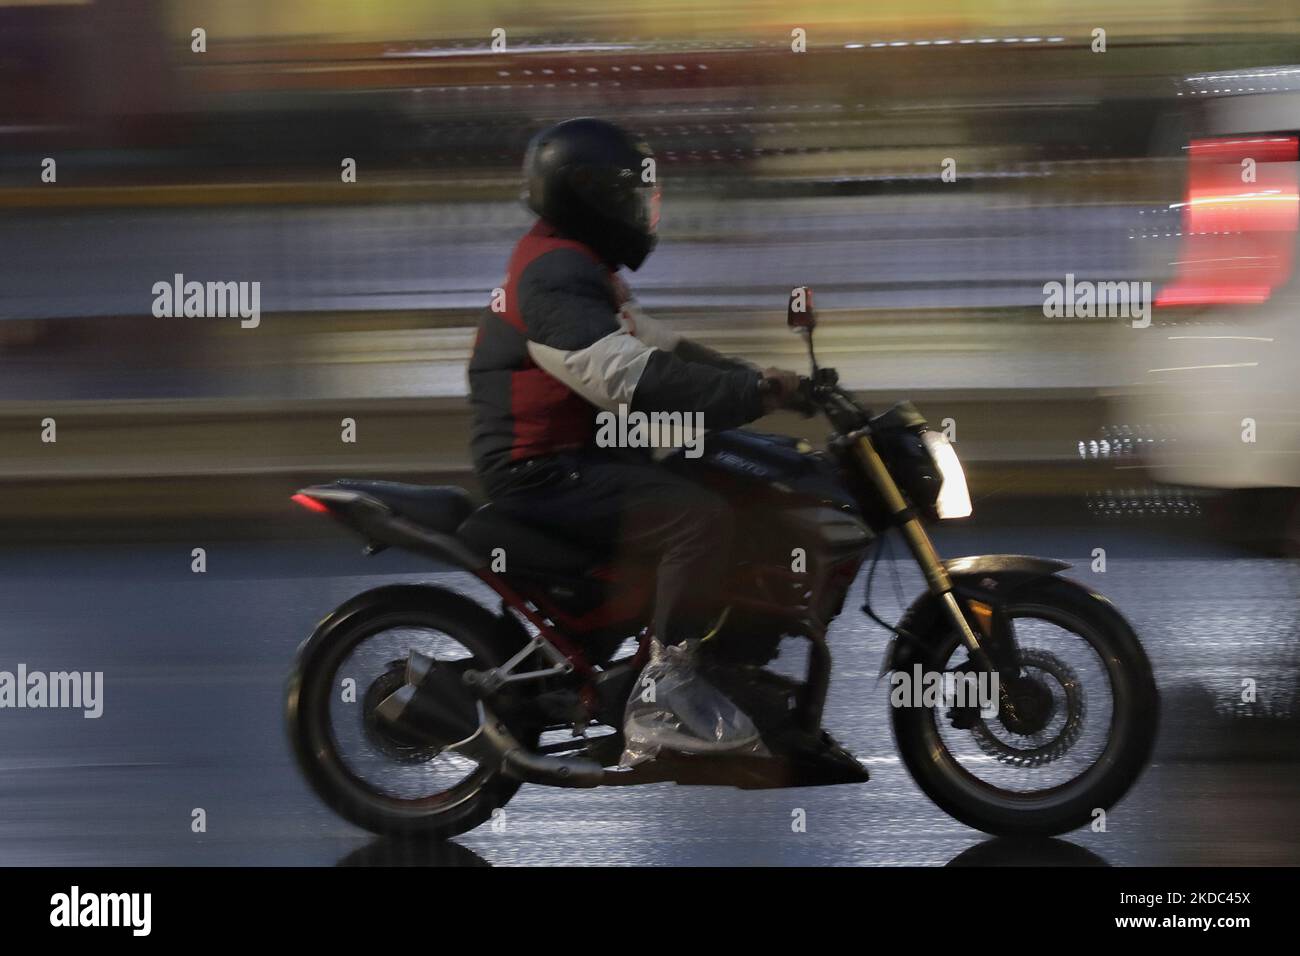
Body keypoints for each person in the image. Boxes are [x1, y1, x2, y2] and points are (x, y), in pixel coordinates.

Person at [467, 116, 800, 660]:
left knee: (734, 476)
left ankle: (727, 658)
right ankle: (667, 692)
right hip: (543, 468)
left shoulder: (577, 263)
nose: (642, 213)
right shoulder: (554, 274)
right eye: (632, 198)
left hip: (587, 449)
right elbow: (627, 377)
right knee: (699, 521)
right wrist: (748, 395)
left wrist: (764, 380)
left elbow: (661, 347)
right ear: (588, 196)